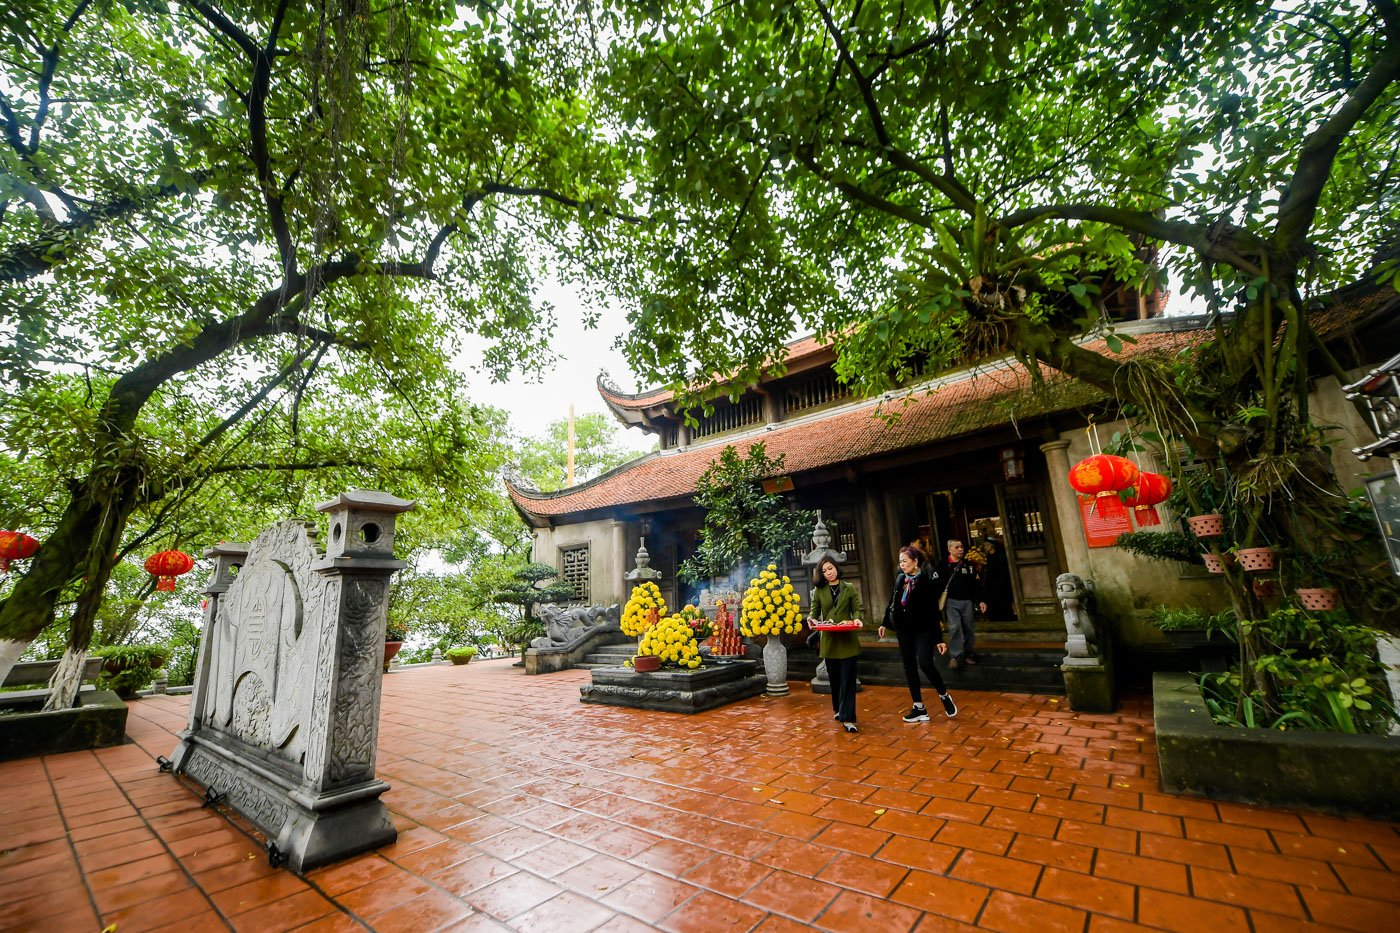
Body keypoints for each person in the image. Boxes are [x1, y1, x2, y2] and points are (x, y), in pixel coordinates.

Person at [878, 545, 957, 722]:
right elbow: (893, 601)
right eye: (900, 562)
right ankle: (919, 707)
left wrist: (939, 639)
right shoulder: (900, 579)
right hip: (903, 629)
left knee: (925, 663)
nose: (902, 565)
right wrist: (884, 623)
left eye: (905, 561)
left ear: (915, 562)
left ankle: (943, 695)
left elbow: (933, 612)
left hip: (923, 630)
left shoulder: (927, 581)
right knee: (909, 666)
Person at [807, 556, 864, 733]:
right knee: (836, 679)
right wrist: (811, 619)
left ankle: (849, 718)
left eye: (830, 568)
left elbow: (856, 609)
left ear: (836, 568)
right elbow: (814, 612)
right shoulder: (819, 590)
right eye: (824, 571)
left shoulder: (849, 588)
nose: (828, 572)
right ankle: (838, 709)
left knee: (848, 680)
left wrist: (856, 619)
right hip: (829, 640)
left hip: (847, 638)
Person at [939, 538, 986, 669]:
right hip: (951, 601)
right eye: (957, 547)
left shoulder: (968, 565)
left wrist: (980, 600)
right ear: (949, 550)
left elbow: (976, 584)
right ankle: (955, 655)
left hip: (967, 601)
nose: (960, 549)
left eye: (961, 547)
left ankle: (968, 653)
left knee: (969, 628)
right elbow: (936, 584)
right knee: (954, 627)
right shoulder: (943, 565)